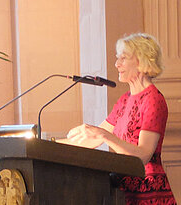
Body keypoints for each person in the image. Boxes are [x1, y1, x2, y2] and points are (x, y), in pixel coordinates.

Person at [64, 33, 177, 204]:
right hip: (123, 191)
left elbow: (143, 156)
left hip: (148, 193)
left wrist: (104, 136)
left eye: (123, 58)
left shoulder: (153, 99)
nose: (117, 64)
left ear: (141, 60)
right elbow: (91, 139)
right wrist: (45, 144)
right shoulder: (125, 99)